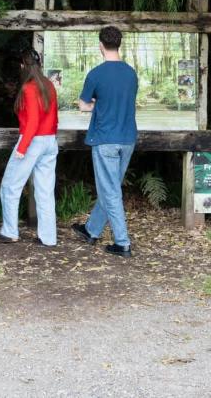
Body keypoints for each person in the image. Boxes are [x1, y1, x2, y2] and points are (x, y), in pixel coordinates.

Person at [72, 26, 138, 257]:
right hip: (128, 138)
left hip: (105, 139)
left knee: (110, 191)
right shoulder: (131, 73)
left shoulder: (96, 74)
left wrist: (94, 106)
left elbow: (83, 105)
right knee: (110, 187)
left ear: (101, 45)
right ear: (118, 44)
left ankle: (122, 243)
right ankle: (91, 230)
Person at [0, 49, 59, 247]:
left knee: (10, 186)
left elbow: (32, 122)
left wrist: (22, 147)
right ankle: (48, 237)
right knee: (45, 191)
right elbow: (54, 117)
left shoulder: (29, 88)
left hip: (32, 141)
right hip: (49, 141)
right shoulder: (49, 85)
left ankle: (10, 231)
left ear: (23, 66)